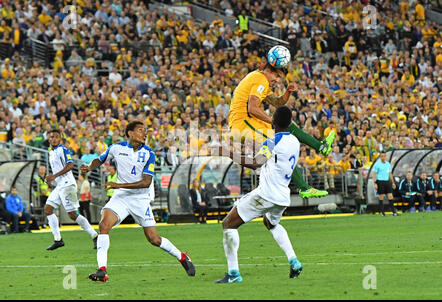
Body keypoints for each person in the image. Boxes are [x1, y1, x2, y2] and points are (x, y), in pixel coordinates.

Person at [80, 121, 195, 282]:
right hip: (120, 197)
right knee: (103, 226)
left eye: (145, 131)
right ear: (130, 133)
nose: (144, 134)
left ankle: (182, 256)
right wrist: (90, 167)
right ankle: (102, 270)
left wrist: (118, 184)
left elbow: (146, 182)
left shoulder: (149, 154)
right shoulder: (116, 148)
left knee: (154, 239)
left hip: (140, 199)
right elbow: (100, 159)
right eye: (141, 130)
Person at [214, 106, 303, 283]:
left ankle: (233, 274)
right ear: (290, 123)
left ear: (273, 122)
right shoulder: (295, 141)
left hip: (267, 194)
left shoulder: (272, 141)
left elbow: (256, 163)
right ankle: (294, 261)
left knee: (228, 224)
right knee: (270, 223)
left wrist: (228, 153)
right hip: (282, 196)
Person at [226, 56, 335, 199]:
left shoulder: (260, 79)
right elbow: (252, 108)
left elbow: (277, 102)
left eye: (280, 78)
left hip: (250, 121)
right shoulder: (260, 79)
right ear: (268, 70)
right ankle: (303, 187)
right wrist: (271, 121)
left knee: (287, 124)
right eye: (277, 76)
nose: (277, 81)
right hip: (242, 123)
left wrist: (287, 92)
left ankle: (321, 146)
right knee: (278, 145)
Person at [44, 129, 98, 250]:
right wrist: (51, 178)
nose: (53, 139)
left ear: (60, 139)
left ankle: (95, 236)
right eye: (51, 137)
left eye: (56, 137)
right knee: (48, 209)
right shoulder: (51, 152)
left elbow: (70, 165)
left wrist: (54, 176)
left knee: (73, 215)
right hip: (59, 186)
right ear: (49, 138)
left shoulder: (62, 149)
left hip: (68, 185)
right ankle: (58, 240)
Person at [371, 151, 398, 216]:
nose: (383, 157)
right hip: (380, 181)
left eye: (384, 156)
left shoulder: (388, 164)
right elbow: (374, 174)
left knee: (390, 196)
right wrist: (375, 183)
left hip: (387, 181)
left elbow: (390, 173)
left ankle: (394, 212)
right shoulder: (377, 164)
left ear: (386, 156)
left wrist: (392, 182)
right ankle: (382, 212)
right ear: (380, 157)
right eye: (381, 156)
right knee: (381, 196)